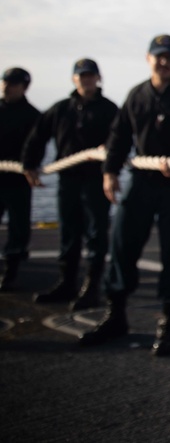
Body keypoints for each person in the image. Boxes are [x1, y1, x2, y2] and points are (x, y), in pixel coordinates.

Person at [79, 35, 170, 357]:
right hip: (141, 183)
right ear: (148, 58)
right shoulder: (136, 96)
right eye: (158, 56)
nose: (163, 61)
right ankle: (116, 314)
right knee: (122, 245)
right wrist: (110, 172)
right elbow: (119, 136)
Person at [22, 58, 118, 309]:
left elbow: (121, 138)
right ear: (74, 79)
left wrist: (109, 155)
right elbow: (38, 136)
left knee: (96, 234)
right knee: (69, 232)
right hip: (68, 179)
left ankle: (92, 287)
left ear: (98, 78)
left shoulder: (110, 110)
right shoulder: (60, 109)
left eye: (90, 75)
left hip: (96, 180)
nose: (86, 79)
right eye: (81, 75)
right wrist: (29, 164)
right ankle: (67, 282)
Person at [0, 67, 40, 291]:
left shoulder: (33, 116)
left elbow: (37, 145)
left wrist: (29, 164)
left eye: (13, 83)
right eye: (5, 81)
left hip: (18, 180)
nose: (7, 86)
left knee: (18, 227)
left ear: (24, 87)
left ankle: (11, 270)